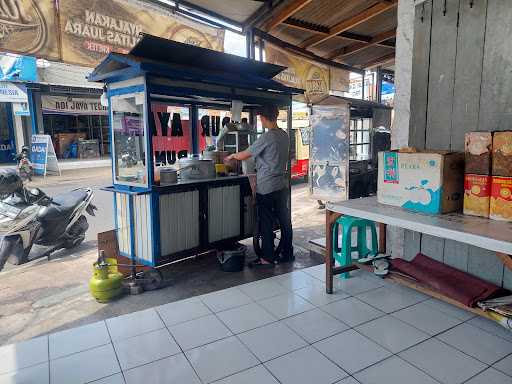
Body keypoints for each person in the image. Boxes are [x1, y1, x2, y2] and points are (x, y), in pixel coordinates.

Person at [225, 104, 293, 266]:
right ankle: (287, 253)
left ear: (263, 118)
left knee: (266, 222)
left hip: (267, 186)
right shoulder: (284, 135)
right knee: (284, 221)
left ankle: (267, 257)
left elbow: (245, 154)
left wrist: (233, 155)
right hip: (281, 186)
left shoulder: (267, 137)